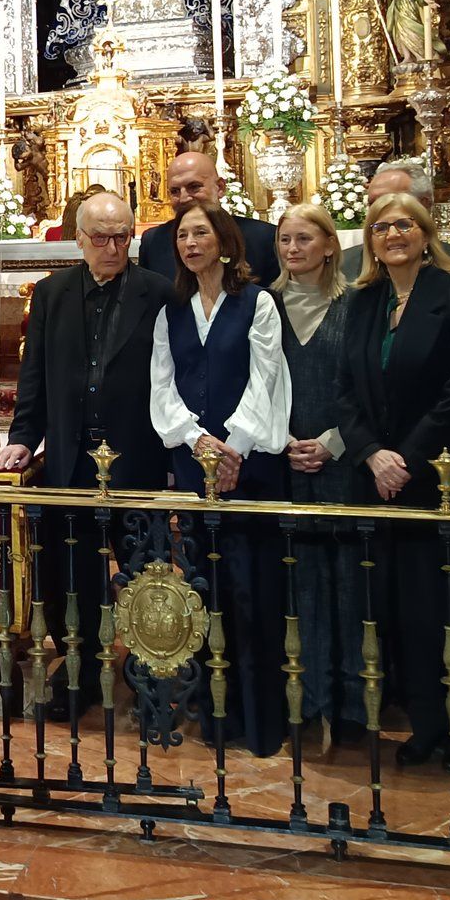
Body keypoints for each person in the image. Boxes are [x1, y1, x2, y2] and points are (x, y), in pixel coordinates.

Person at [0, 191, 172, 716]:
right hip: (71, 458)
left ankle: (151, 681)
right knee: (72, 577)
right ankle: (83, 676)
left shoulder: (160, 292)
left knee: (145, 573)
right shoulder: (52, 293)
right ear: (79, 239)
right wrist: (23, 437)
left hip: (137, 456)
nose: (112, 248)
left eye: (122, 237)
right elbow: (35, 374)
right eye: (101, 237)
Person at [335, 190, 450, 769]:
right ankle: (424, 725)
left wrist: (405, 458)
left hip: (434, 479)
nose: (393, 235)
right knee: (392, 609)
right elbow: (345, 391)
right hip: (374, 479)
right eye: (381, 227)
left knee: (438, 609)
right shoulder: (363, 301)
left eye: (404, 225)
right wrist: (372, 455)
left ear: (425, 234)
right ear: (370, 241)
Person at [148, 199, 292, 754]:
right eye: (183, 235)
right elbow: (163, 385)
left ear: (225, 242)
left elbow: (266, 376)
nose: (190, 243)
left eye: (201, 233)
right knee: (207, 592)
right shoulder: (172, 311)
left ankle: (260, 721)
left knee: (254, 592)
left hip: (249, 467)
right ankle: (216, 716)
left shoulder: (257, 302)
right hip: (195, 464)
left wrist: (234, 446)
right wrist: (197, 441)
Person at [271, 202, 368, 746]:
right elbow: (257, 381)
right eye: (285, 239)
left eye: (304, 239)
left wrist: (333, 443)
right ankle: (305, 699)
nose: (293, 249)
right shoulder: (266, 305)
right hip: (285, 460)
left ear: (331, 245)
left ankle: (352, 705)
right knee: (298, 582)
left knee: (349, 582)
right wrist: (282, 439)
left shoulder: (356, 303)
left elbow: (369, 386)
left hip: (343, 459)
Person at [137, 150, 281, 287]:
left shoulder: (263, 237)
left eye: (194, 187)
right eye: (175, 191)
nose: (184, 198)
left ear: (220, 187)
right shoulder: (154, 241)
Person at [339, 158, 450, 279]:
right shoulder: (345, 265)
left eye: (390, 200)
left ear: (424, 204)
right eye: (372, 203)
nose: (379, 210)